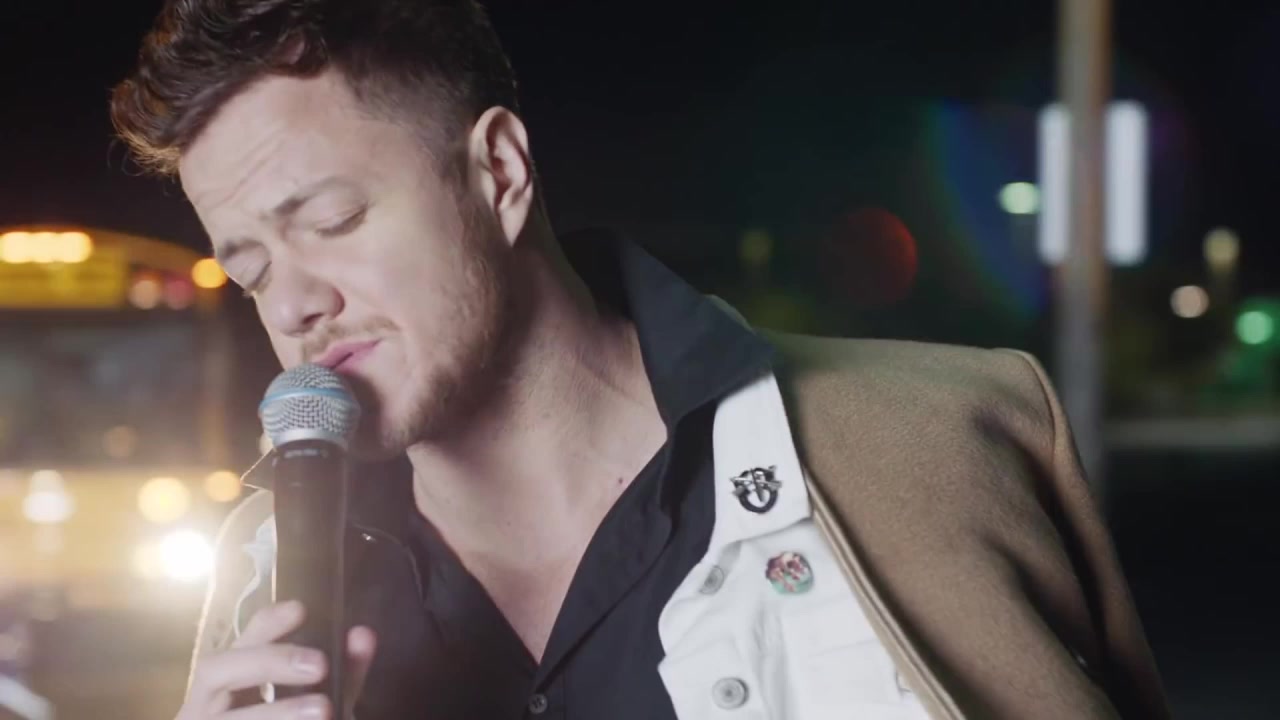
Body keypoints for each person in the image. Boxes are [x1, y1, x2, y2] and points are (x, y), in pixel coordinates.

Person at [111, 1, 1172, 718]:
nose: (292, 302)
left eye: (332, 220)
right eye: (249, 268)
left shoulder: (940, 443)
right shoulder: (264, 568)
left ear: (498, 171)